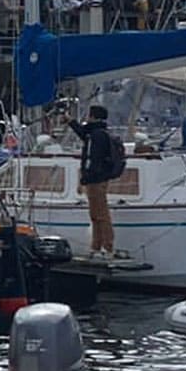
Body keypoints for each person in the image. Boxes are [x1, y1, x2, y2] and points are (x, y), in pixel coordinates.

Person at [70, 104, 122, 258]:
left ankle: (107, 246)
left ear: (92, 116)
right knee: (95, 214)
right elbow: (84, 134)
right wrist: (71, 122)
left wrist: (85, 178)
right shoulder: (98, 133)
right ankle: (96, 246)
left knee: (101, 214)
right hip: (100, 178)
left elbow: (92, 159)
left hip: (95, 180)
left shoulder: (96, 136)